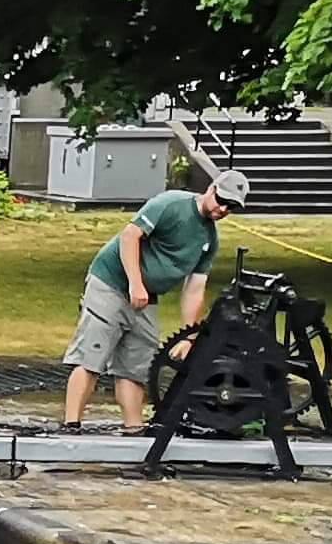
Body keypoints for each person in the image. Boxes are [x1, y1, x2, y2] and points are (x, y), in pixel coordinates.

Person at [63, 167, 249, 433]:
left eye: (231, 207)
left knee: (137, 366)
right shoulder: (171, 204)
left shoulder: (209, 240)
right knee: (92, 358)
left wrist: (189, 338)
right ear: (211, 189)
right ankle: (70, 426)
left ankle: (134, 430)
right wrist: (135, 283)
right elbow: (130, 236)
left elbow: (194, 289)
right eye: (221, 200)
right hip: (110, 283)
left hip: (145, 297)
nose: (223, 209)